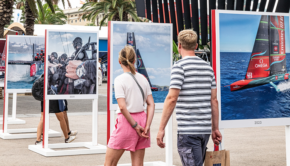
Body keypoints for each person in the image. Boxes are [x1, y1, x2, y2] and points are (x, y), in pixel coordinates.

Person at [156, 30, 222, 166]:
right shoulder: (208, 68)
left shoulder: (179, 67)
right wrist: (215, 128)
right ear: (196, 45)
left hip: (188, 131)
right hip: (204, 130)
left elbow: (171, 99)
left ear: (179, 45)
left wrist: (161, 128)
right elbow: (214, 100)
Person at [104, 45, 155, 166]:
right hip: (142, 120)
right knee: (138, 164)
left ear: (119, 61)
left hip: (128, 122)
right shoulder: (143, 78)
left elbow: (122, 107)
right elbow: (151, 104)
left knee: (109, 163)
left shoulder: (119, 79)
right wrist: (147, 125)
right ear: (134, 60)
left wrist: (135, 126)